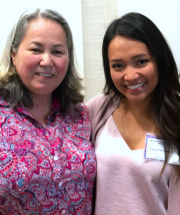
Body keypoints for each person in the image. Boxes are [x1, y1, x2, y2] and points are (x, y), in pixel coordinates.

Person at [0, 8, 96, 214]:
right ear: (14, 54)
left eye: (57, 51)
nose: (46, 61)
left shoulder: (81, 115)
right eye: (36, 50)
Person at [87, 12, 180, 215]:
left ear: (159, 59)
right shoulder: (99, 108)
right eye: (118, 66)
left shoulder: (176, 118)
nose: (130, 75)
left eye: (141, 62)